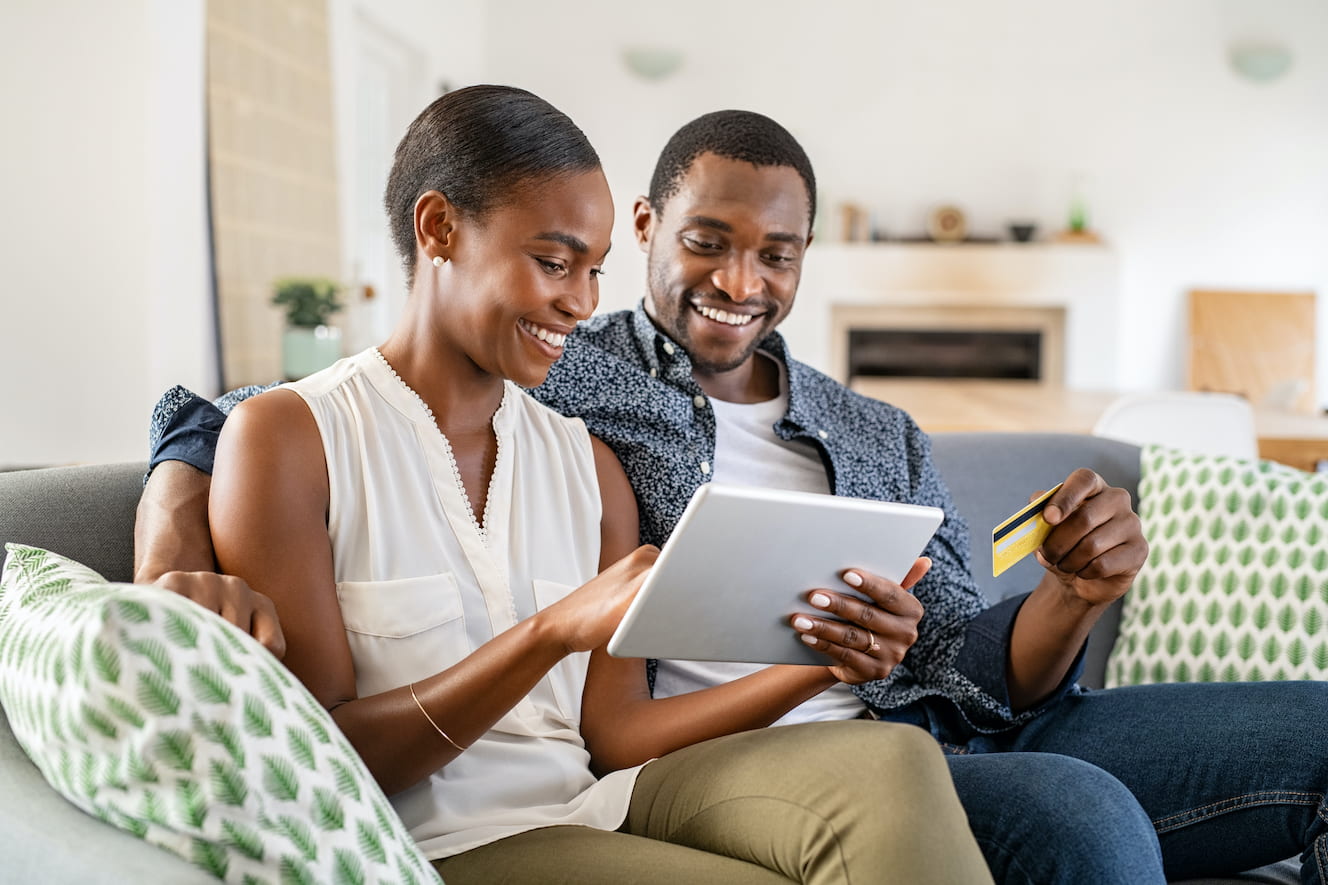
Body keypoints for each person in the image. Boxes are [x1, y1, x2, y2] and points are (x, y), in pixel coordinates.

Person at [139, 105, 1328, 884]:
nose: (739, 281)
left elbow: (967, 665)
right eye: (706, 241)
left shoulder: (872, 433)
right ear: (652, 228)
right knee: (1080, 821)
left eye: (778, 254)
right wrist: (170, 539)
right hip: (707, 773)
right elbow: (231, 416)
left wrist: (1069, 597)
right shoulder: (571, 371)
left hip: (937, 724)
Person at [152, 84, 992, 884]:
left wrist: (824, 662)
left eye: (594, 270)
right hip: (438, 843)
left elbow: (618, 734)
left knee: (896, 759)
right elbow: (324, 759)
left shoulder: (587, 464)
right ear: (440, 227)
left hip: (601, 805)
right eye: (555, 262)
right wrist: (549, 633)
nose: (583, 302)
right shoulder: (290, 439)